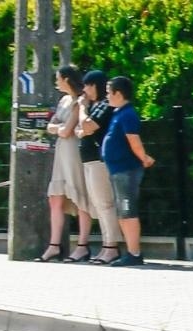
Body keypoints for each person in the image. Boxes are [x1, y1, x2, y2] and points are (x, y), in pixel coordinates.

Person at [101, 76, 156, 267]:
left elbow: (134, 141)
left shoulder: (128, 114)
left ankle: (134, 253)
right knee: (123, 212)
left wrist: (144, 158)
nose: (107, 96)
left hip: (126, 170)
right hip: (118, 170)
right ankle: (131, 252)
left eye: (109, 92)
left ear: (118, 93)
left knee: (128, 210)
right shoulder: (119, 113)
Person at [39, 66, 90, 262]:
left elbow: (66, 130)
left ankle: (82, 245)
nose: (56, 82)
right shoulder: (64, 100)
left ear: (67, 79)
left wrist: (58, 128)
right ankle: (54, 245)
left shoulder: (81, 100)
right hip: (61, 151)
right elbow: (51, 126)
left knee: (80, 197)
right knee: (55, 198)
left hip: (74, 151)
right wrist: (59, 128)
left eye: (58, 78)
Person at [77, 70, 123, 264]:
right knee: (98, 203)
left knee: (105, 203)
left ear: (94, 85)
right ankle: (106, 245)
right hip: (89, 160)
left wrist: (81, 108)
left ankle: (111, 246)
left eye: (87, 86)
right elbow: (82, 129)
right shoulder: (95, 106)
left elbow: (87, 127)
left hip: (99, 160)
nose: (84, 90)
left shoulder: (104, 105)